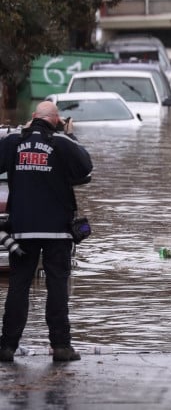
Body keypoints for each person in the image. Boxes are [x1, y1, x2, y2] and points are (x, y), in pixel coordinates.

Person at [0, 101, 93, 363]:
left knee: (18, 286)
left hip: (22, 229)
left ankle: (6, 347)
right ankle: (61, 347)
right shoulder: (62, 142)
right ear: (56, 120)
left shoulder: (13, 141)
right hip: (57, 231)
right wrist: (69, 134)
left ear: (32, 118)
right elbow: (86, 169)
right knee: (57, 287)